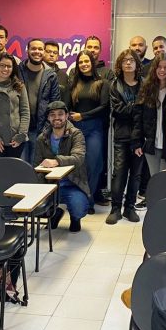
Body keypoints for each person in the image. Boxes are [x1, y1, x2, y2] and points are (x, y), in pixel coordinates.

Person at [35, 101, 90, 233]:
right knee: (36, 209)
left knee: (79, 208)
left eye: (60, 114)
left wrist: (56, 161)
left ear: (66, 116)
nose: (57, 118)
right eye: (52, 115)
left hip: (72, 183)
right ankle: (55, 212)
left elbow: (78, 158)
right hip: (51, 185)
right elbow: (36, 165)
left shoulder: (76, 134)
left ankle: (75, 218)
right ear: (48, 118)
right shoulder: (41, 138)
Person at [66, 50, 110, 211]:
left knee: (93, 165)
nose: (84, 64)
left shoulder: (103, 83)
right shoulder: (73, 84)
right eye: (80, 62)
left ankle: (89, 200)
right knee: (77, 166)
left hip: (94, 129)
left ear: (92, 63)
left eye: (86, 61)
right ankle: (77, 201)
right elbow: (66, 107)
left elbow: (104, 107)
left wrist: (82, 116)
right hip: (75, 130)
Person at [134, 52, 166, 187]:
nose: (162, 70)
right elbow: (138, 117)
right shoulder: (146, 88)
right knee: (155, 182)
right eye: (159, 67)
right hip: (151, 145)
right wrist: (137, 142)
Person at [107, 49, 143, 224]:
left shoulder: (145, 84)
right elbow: (118, 111)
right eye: (124, 60)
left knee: (136, 174)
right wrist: (136, 107)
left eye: (131, 60)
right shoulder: (115, 85)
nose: (128, 63)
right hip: (121, 135)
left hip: (140, 137)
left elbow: (146, 111)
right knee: (119, 173)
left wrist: (133, 108)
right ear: (120, 65)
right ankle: (115, 208)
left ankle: (130, 207)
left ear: (137, 64)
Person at [18, 38, 61, 165]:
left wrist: (47, 127)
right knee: (20, 166)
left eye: (40, 49)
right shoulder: (17, 71)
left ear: (44, 52)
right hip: (19, 128)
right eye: (33, 48)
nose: (37, 51)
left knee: (36, 167)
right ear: (27, 50)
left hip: (40, 129)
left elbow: (55, 104)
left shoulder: (51, 75)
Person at [0, 54, 30, 160]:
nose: (5, 69)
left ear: (13, 68)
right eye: (2, 65)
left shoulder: (20, 86)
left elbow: (25, 112)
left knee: (13, 169)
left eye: (9, 66)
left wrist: (21, 135)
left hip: (16, 140)